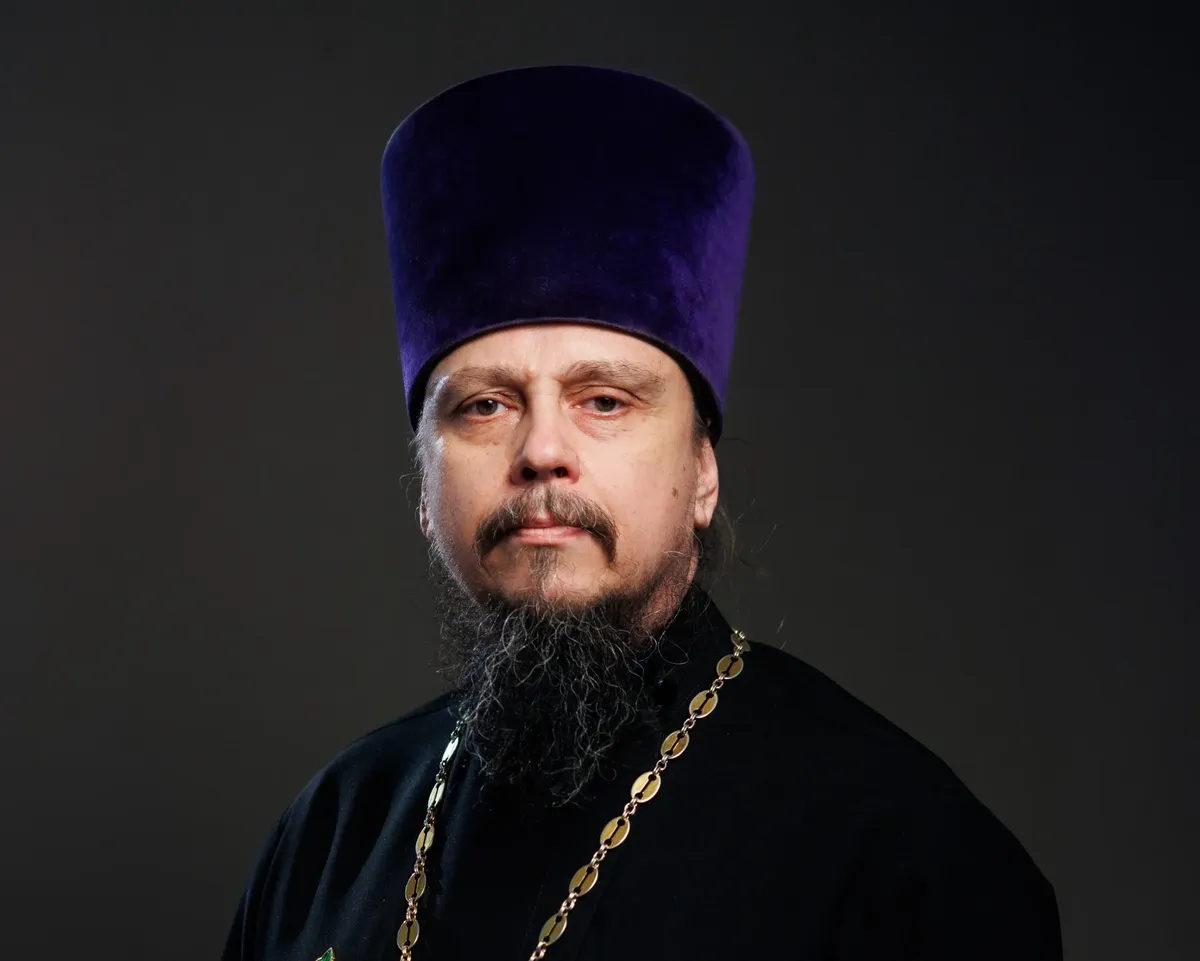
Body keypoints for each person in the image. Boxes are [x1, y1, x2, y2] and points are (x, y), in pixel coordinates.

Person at [222, 65, 1062, 961]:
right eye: (485, 406)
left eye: (605, 400)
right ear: (425, 489)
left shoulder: (907, 857)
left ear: (701, 473)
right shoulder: (329, 836)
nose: (542, 449)